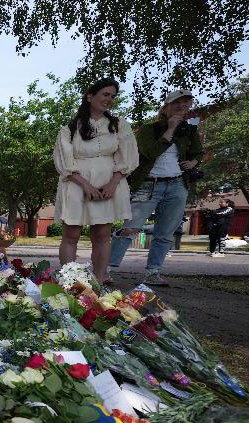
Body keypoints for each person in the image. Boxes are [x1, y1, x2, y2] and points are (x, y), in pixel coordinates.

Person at [109, 89, 203, 287]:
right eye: (178, 103)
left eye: (186, 104)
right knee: (130, 228)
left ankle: (153, 273)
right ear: (166, 106)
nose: (182, 107)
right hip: (149, 184)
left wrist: (194, 161)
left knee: (165, 233)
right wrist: (169, 129)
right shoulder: (148, 130)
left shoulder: (189, 131)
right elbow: (150, 153)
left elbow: (198, 152)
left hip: (177, 184)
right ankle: (107, 269)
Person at [53, 78, 138, 284]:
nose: (109, 99)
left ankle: (99, 283)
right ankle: (69, 283)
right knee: (71, 234)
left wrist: (113, 183)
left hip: (108, 184)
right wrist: (85, 185)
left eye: (113, 96)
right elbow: (64, 161)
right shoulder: (70, 128)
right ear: (90, 96)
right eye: (105, 94)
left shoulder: (119, 126)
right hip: (76, 184)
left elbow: (128, 157)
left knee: (102, 235)